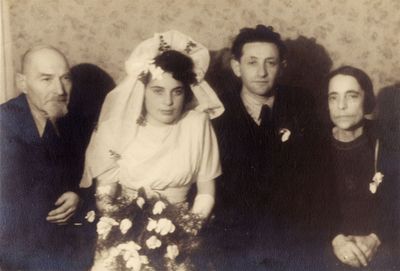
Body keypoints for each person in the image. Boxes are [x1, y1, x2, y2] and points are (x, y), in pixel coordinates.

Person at [79, 30, 224, 269]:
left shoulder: (197, 124)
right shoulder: (116, 128)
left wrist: (184, 230)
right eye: (158, 91)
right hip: (123, 236)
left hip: (181, 236)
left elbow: (206, 191)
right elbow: (105, 192)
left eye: (176, 91)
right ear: (141, 89)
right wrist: (127, 226)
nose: (168, 102)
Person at [209, 25, 321, 270]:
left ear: (282, 67)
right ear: (237, 67)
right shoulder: (217, 112)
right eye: (252, 62)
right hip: (237, 240)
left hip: (292, 236)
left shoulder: (301, 103)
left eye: (270, 63)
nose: (261, 72)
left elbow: (314, 175)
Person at [0, 45, 82, 270]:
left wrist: (76, 196)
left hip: (60, 248)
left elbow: (75, 180)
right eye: (46, 79)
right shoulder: (4, 124)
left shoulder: (71, 123)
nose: (60, 90)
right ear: (22, 83)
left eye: (65, 78)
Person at [322, 66, 398, 270]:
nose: (341, 106)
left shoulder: (390, 142)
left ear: (367, 101)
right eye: (333, 97)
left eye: (352, 96)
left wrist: (375, 238)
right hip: (329, 242)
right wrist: (337, 240)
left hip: (381, 242)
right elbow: (307, 208)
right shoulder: (314, 146)